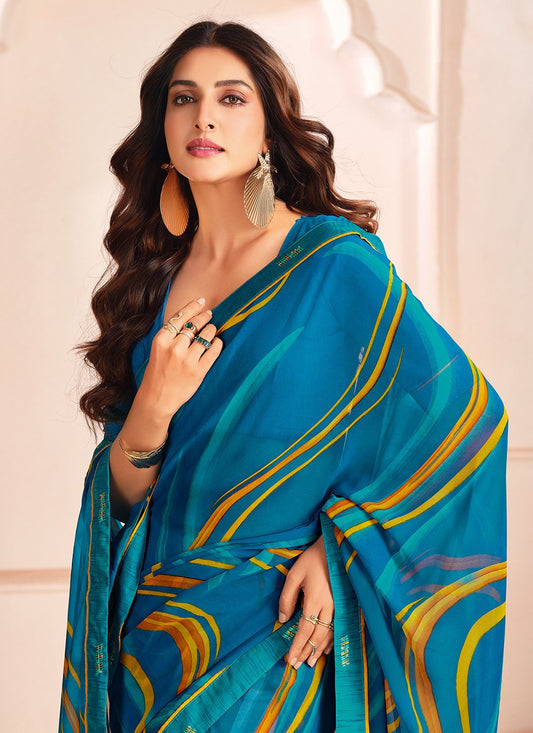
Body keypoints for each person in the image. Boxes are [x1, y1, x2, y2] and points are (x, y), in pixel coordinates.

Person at [59, 20, 507, 733]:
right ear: (162, 126)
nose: (204, 116)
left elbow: (466, 426)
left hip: (275, 632)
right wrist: (153, 408)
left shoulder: (332, 264)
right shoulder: (152, 282)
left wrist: (340, 551)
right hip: (153, 631)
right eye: (184, 98)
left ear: (269, 130)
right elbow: (123, 493)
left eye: (231, 98)